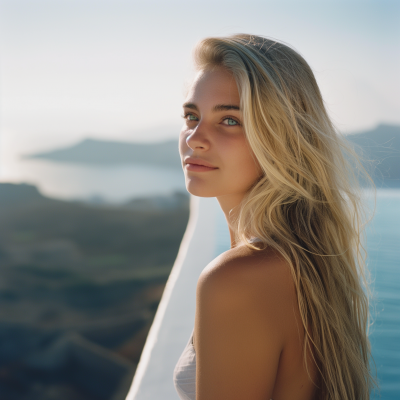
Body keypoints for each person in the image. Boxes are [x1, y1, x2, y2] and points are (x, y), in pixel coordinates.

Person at [174, 34, 375, 400]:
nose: (195, 138)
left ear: (283, 137)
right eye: (191, 116)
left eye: (230, 120)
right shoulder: (305, 258)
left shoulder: (237, 279)